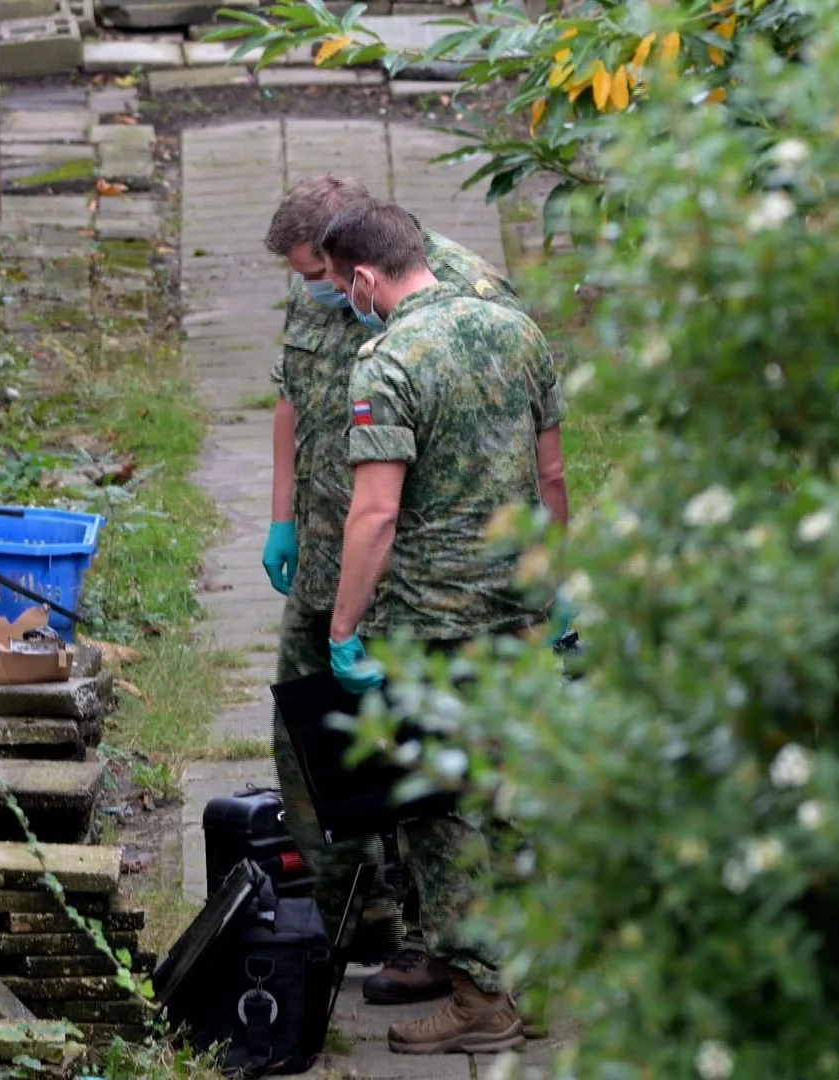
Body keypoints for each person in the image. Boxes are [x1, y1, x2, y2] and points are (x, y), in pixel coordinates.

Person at [259, 175, 542, 1009]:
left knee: (429, 769)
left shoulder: (468, 299)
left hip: (420, 573)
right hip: (328, 550)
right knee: (309, 736)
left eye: (322, 276)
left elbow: (515, 443)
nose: (318, 293)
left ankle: (443, 946)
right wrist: (282, 517)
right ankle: (357, 906)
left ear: (360, 266)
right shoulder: (322, 287)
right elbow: (289, 393)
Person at [317, 199, 568, 1055]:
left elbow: (376, 515)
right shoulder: (516, 330)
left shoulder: (386, 362)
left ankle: (478, 997)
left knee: (440, 806)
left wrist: (344, 626)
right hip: (520, 608)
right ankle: (530, 979)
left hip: (434, 621)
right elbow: (553, 473)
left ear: (362, 278)